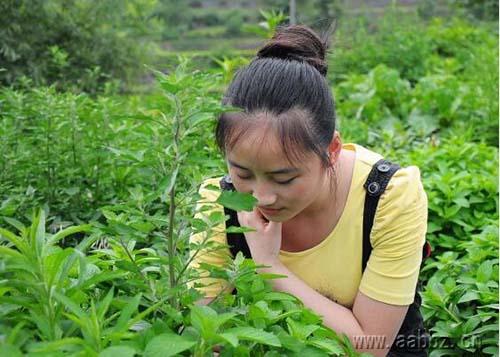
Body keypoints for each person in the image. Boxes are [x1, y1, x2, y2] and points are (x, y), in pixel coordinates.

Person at [187, 25, 428, 357]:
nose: (262, 197)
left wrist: (270, 267)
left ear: (331, 150)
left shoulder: (389, 197)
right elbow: (204, 331)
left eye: (284, 179)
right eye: (242, 173)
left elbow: (372, 346)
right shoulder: (221, 200)